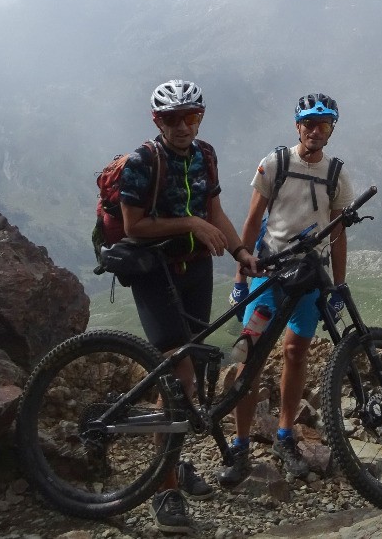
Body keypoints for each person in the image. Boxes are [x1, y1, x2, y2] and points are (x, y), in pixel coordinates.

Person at [119, 79, 261, 534]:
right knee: (177, 377)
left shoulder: (206, 154)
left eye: (192, 117)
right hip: (154, 270)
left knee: (194, 371)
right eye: (172, 119)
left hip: (196, 270)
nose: (183, 127)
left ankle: (174, 466)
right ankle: (164, 492)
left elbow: (215, 210)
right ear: (156, 121)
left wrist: (241, 252)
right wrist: (191, 222)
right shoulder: (143, 161)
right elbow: (134, 224)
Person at [217, 93, 355, 485]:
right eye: (309, 123)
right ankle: (241, 446)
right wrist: (241, 278)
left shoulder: (336, 174)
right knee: (251, 355)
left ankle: (284, 435)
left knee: (296, 352)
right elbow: (252, 219)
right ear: (297, 126)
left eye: (323, 124)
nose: (315, 130)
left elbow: (339, 233)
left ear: (331, 129)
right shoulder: (275, 163)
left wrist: (338, 285)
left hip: (310, 277)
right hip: (269, 272)